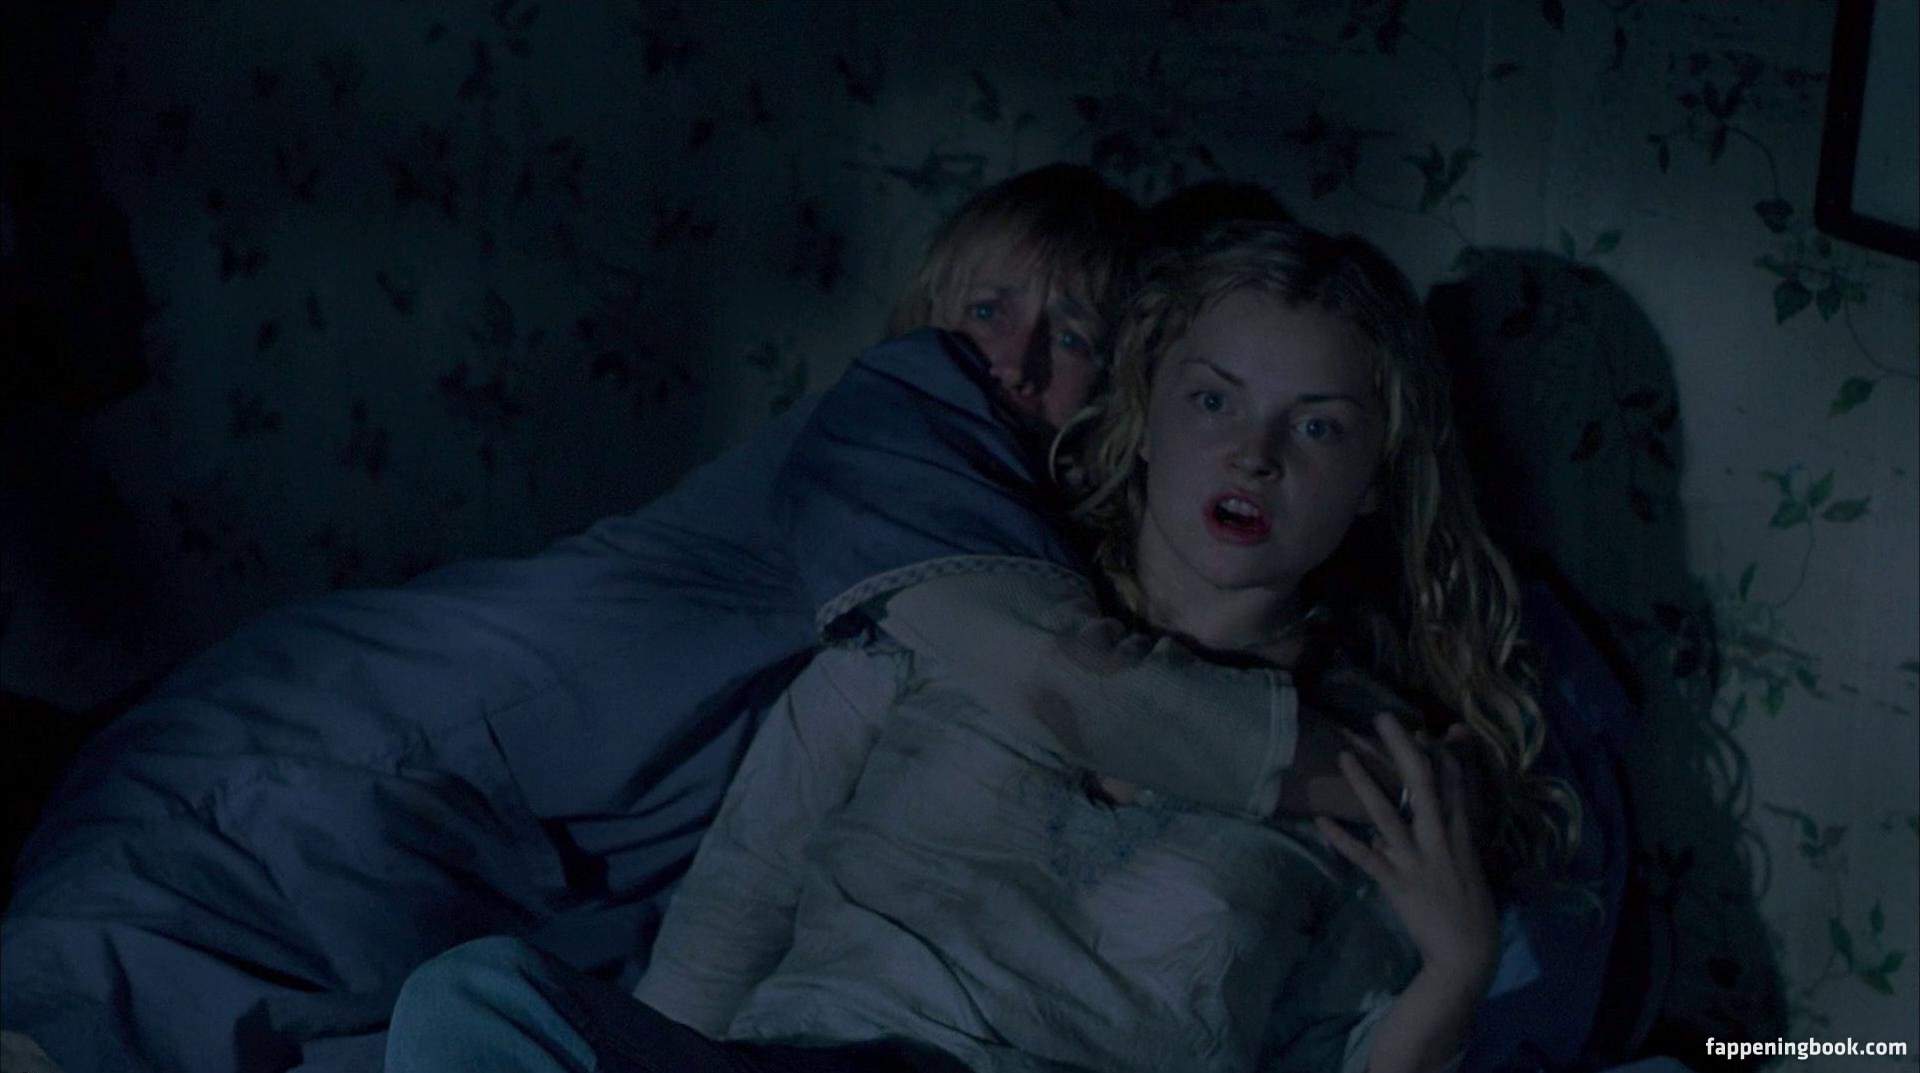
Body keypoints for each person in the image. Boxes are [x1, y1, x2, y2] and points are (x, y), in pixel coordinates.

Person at [1, 167, 1357, 1073]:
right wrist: (1363, 770)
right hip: (308, 772)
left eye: (1073, 334)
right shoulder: (905, 416)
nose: (1013, 355)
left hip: (456, 868)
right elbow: (1079, 680)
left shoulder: (1033, 544)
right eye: (986, 306)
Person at [381, 221, 1582, 1073]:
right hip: (807, 1057)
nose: (1253, 454)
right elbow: (733, 911)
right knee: (474, 995)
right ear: (1147, 413)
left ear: (1374, 481)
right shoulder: (960, 617)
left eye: (1315, 428)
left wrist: (1455, 969)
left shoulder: (1380, 772)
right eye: (1215, 400)